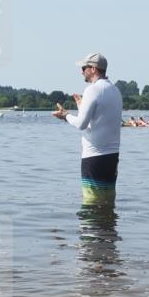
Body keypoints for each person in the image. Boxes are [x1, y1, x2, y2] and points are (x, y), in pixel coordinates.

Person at [52, 53, 123, 204]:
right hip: (112, 156)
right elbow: (98, 120)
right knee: (107, 201)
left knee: (91, 204)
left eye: (84, 68)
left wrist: (65, 115)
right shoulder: (115, 90)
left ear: (93, 69)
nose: (81, 71)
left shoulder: (92, 90)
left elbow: (81, 124)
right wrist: (81, 106)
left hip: (94, 157)